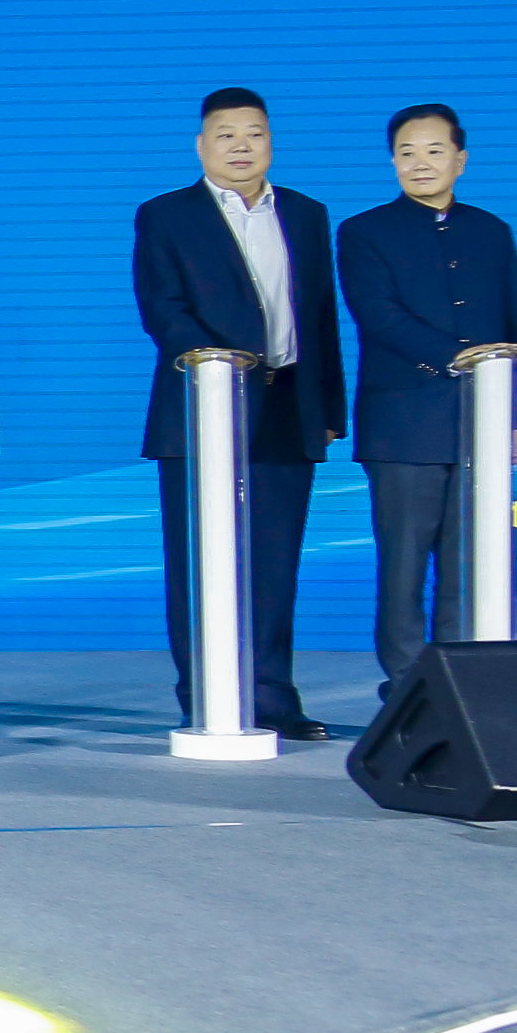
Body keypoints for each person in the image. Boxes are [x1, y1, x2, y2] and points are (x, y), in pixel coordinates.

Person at [132, 85, 346, 738]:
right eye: (226, 135)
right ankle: (206, 696)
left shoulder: (305, 214)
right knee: (198, 562)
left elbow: (320, 317)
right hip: (200, 409)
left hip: (287, 405)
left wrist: (329, 407)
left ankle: (272, 699)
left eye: (254, 133)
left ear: (270, 141)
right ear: (202, 145)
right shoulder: (165, 215)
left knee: (275, 565)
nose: (241, 146)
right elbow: (162, 309)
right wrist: (215, 365)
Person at [338, 102, 517, 684]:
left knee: (468, 565)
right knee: (402, 568)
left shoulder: (490, 231)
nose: (420, 163)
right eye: (406, 153)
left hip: (484, 424)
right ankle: (407, 687)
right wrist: (459, 356)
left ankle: (461, 683)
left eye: (434, 151)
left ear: (460, 159)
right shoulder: (364, 232)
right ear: (392, 162)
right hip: (402, 426)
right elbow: (378, 315)